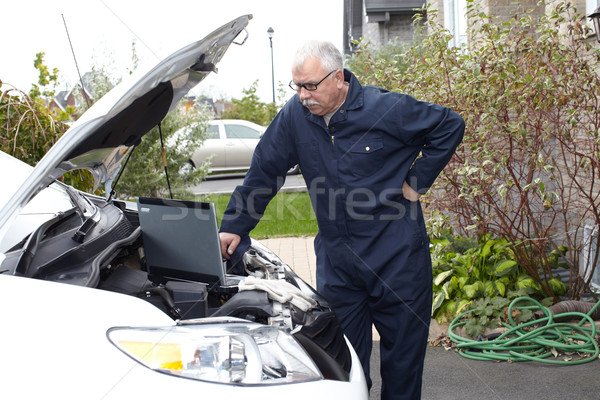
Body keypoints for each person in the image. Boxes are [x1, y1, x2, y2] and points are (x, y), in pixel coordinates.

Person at [218, 40, 464, 399]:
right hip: (339, 265)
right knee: (341, 366)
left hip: (398, 260)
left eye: (310, 86)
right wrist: (234, 226)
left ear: (338, 78)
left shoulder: (386, 108)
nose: (303, 95)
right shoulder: (295, 118)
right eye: (297, 85)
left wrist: (416, 183)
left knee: (402, 369)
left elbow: (449, 125)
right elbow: (264, 170)